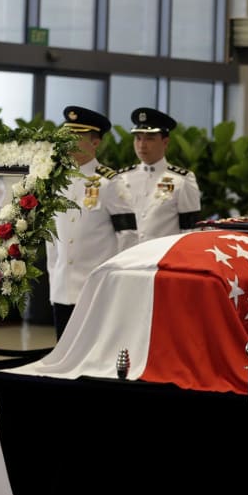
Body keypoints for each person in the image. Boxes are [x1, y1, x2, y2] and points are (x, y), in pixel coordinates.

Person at [46, 106, 138, 340]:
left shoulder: (110, 182)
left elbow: (128, 236)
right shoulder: (57, 180)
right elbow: (52, 236)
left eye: (78, 137)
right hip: (63, 287)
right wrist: (54, 279)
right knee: (63, 352)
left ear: (95, 142)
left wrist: (117, 280)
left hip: (96, 288)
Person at [117, 107, 201, 243]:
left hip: (162, 254)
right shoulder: (121, 178)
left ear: (165, 142)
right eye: (138, 138)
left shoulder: (182, 180)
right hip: (127, 254)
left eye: (149, 139)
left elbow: (190, 231)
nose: (142, 145)